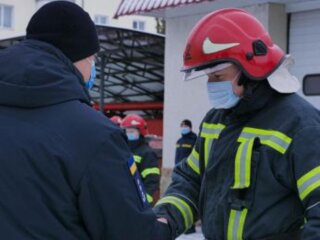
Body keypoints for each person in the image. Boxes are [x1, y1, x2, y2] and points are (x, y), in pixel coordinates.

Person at [0, 2, 170, 239]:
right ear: (76, 57)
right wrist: (168, 223)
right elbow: (132, 232)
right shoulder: (95, 135)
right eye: (92, 58)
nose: (93, 67)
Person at [154, 8, 320, 240]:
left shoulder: (301, 127)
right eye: (208, 77)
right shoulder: (215, 121)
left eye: (217, 77)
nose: (210, 85)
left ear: (250, 70)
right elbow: (191, 181)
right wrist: (165, 220)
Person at [121, 114, 160, 205]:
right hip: (124, 199)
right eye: (127, 131)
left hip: (139, 202)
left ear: (140, 132)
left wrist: (144, 201)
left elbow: (152, 180)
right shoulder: (123, 150)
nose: (128, 134)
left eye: (132, 131)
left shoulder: (147, 153)